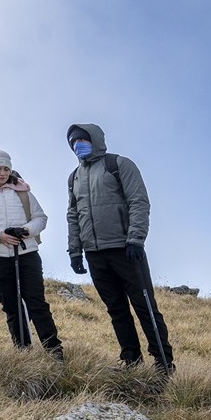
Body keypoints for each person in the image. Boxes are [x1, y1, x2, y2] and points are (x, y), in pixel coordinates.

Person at [66, 124, 174, 373]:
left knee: (145, 307)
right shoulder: (74, 177)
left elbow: (139, 201)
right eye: (73, 142)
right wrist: (75, 251)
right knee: (116, 309)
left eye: (82, 139)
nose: (77, 145)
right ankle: (131, 362)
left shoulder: (119, 164)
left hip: (125, 249)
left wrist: (136, 239)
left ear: (95, 139)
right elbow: (73, 215)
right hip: (95, 254)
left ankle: (164, 364)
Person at [0, 149, 63, 359]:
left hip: (27, 253)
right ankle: (24, 352)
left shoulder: (23, 191)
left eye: (6, 168)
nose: (2, 173)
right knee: (11, 306)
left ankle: (54, 351)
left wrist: (27, 230)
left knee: (37, 302)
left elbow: (41, 217)